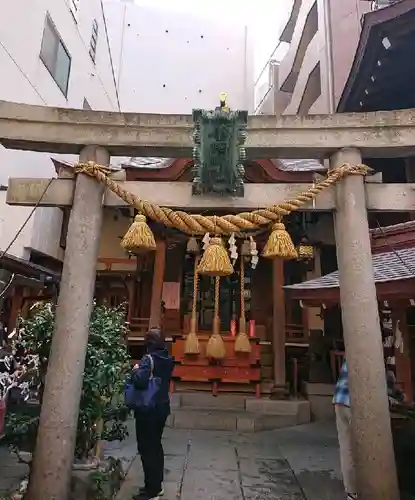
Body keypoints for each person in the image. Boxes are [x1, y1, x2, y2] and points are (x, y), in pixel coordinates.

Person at [333, 359, 404, 500]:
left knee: (346, 449)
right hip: (355, 404)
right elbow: (382, 388)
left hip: (340, 400)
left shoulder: (351, 349)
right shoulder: (372, 355)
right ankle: (371, 488)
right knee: (365, 447)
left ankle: (351, 492)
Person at [131, 328, 174, 500]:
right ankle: (157, 484)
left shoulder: (148, 359)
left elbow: (140, 381)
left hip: (148, 409)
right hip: (162, 406)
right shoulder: (167, 358)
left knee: (147, 449)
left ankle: (152, 490)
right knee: (156, 446)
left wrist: (135, 370)